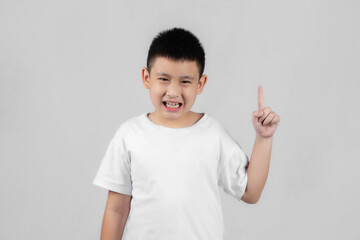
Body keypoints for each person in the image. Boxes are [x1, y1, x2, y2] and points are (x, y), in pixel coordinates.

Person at [92, 27, 280, 240]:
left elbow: (250, 192)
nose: (173, 92)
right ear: (146, 78)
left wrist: (264, 138)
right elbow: (116, 211)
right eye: (164, 79)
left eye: (185, 81)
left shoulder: (213, 135)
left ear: (200, 84)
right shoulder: (129, 136)